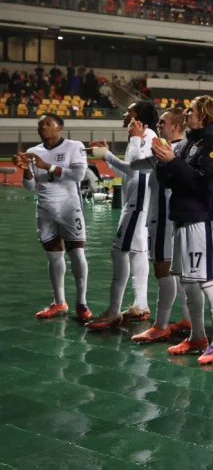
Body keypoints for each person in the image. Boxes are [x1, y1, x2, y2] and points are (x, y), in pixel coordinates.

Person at [153, 95, 213, 364]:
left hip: (202, 218)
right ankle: (198, 336)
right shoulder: (189, 142)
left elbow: (204, 185)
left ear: (205, 115)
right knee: (187, 280)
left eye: (191, 110)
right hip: (183, 216)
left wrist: (173, 161)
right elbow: (169, 180)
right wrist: (163, 161)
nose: (185, 113)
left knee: (208, 280)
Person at [86, 101, 159, 330]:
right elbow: (127, 173)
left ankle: (113, 311)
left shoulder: (147, 137)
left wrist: (107, 155)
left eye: (130, 110)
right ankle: (140, 305)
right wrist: (107, 156)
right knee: (137, 254)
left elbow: (136, 168)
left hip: (137, 207)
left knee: (119, 253)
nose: (126, 113)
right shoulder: (138, 138)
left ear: (139, 116)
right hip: (134, 204)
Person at [130, 108, 194, 344]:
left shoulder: (163, 151)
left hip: (164, 219)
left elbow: (134, 164)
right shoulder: (189, 149)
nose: (158, 125)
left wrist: (136, 138)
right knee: (179, 271)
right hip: (182, 219)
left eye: (162, 122)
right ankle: (187, 318)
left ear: (175, 127)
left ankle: (161, 325)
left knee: (162, 270)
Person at [18, 114, 91, 320]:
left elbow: (78, 175)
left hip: (70, 207)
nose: (43, 127)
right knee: (53, 255)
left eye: (48, 123)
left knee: (76, 252)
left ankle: (82, 302)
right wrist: (26, 170)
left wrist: (46, 166)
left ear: (59, 127)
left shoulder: (73, 146)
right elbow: (30, 187)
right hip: (45, 208)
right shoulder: (33, 151)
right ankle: (59, 302)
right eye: (40, 124)